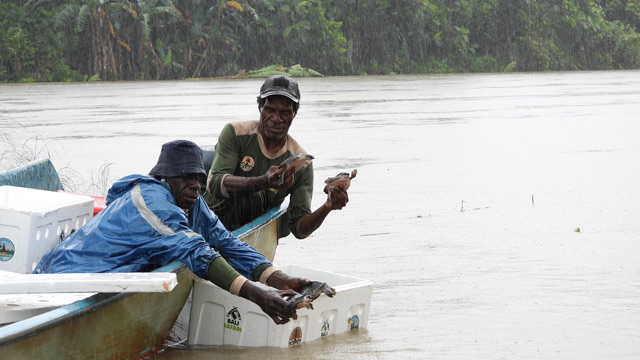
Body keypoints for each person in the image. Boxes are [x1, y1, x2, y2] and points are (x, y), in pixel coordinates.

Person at [35, 140, 311, 324]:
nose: (196, 185)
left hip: (102, 273)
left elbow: (225, 242)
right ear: (166, 176)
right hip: (68, 278)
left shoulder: (189, 200)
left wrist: (283, 281)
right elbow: (198, 253)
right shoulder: (152, 204)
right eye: (188, 177)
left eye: (200, 178)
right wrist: (258, 295)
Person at [203, 75, 349, 239]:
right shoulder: (236, 133)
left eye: (285, 112)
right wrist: (263, 182)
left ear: (294, 113)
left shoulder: (301, 164)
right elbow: (215, 183)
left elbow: (300, 229)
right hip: (210, 218)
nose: (276, 119)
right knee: (251, 196)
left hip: (247, 231)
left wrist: (327, 207)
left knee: (256, 200)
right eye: (270, 110)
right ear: (260, 107)